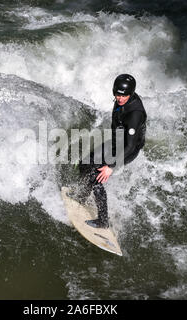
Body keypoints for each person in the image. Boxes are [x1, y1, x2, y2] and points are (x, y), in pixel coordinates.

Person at [76, 74, 147, 228]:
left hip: (128, 149)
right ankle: (82, 197)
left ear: (131, 94)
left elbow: (130, 146)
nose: (120, 98)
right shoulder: (120, 99)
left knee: (97, 177)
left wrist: (111, 166)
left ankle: (103, 221)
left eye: (124, 96)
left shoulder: (135, 114)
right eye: (118, 94)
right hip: (117, 141)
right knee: (84, 164)